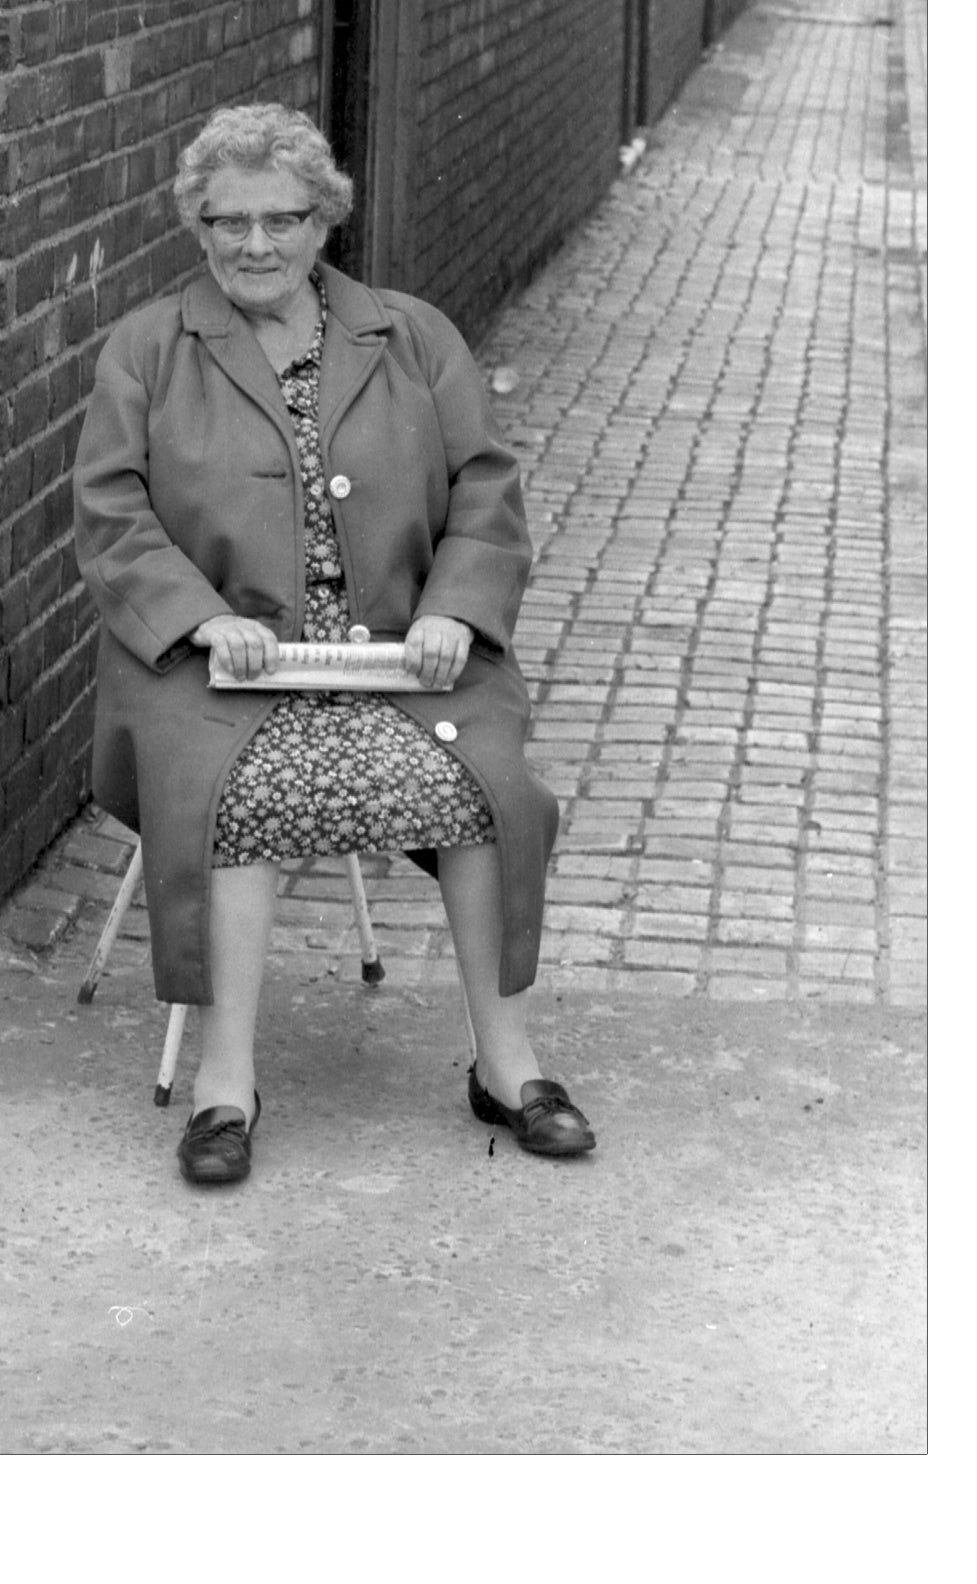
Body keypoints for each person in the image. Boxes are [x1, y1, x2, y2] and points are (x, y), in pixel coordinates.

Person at [76, 103, 594, 1187]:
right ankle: (227, 1084)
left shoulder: (413, 335)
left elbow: (487, 491)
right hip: (220, 674)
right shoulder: (148, 348)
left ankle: (508, 1065)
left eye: (281, 220)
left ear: (325, 224)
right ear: (196, 226)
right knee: (242, 791)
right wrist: (198, 615)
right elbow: (111, 512)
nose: (254, 245)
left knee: (486, 787)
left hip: (402, 665)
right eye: (228, 222)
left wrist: (455, 607)